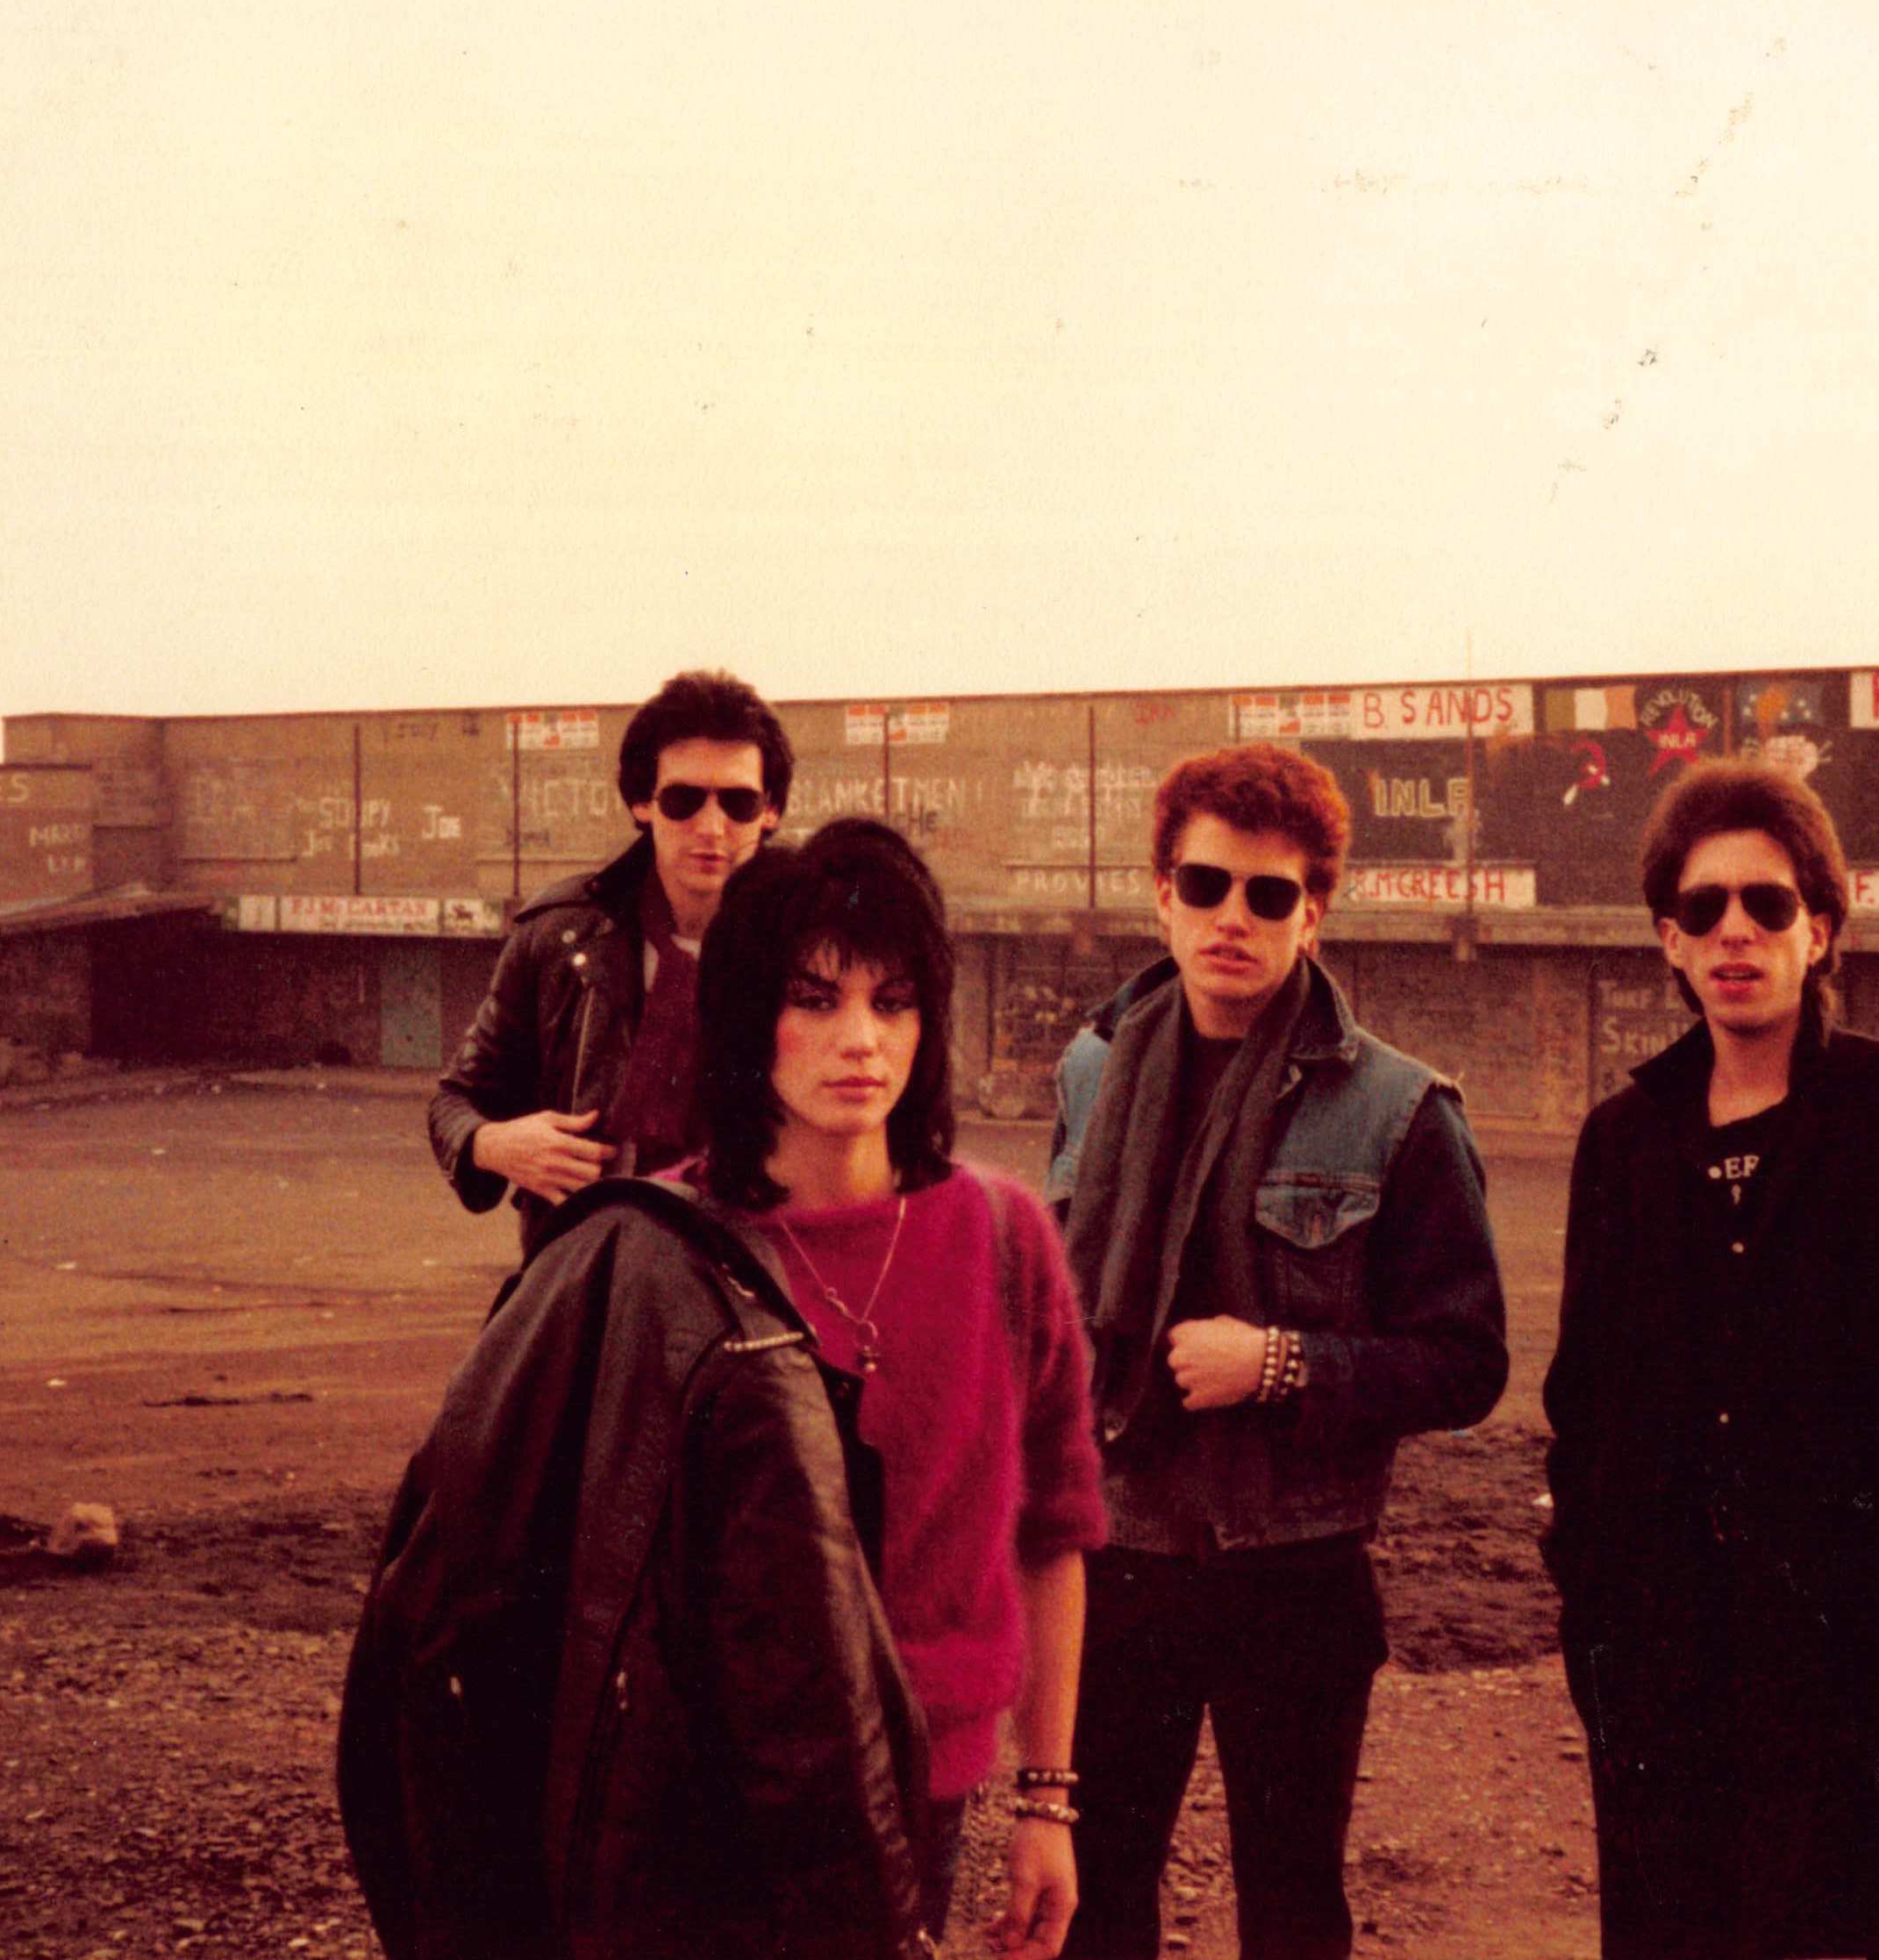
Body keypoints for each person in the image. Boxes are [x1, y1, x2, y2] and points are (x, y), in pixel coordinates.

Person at [1540, 758, 1879, 1960]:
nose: (1735, 929)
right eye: (1704, 906)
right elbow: (1585, 1408)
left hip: (1861, 1694)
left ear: (1819, 928)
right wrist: (1599, 1627)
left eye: (1768, 902)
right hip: (1670, 1706)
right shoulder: (1623, 1143)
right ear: (1670, 940)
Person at [1044, 742, 1509, 1960]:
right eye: (1205, 885)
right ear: (1162, 894)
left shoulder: (1401, 1108)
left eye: (1268, 893)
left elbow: (1468, 1359)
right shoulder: (1092, 1071)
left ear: (1315, 911)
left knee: (1293, 1906)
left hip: (1294, 1567)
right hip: (1119, 1551)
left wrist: (1281, 1363)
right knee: (1098, 1897)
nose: (1232, 918)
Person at [677, 821, 1105, 1960]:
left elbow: (1054, 1532)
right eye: (814, 998)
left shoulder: (1004, 1237)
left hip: (924, 1786)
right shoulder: (658, 1247)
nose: (860, 1038)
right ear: (745, 1014)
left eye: (894, 1000)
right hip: (701, 1794)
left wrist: (1046, 1800)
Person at [429, 668, 792, 1258]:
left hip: (759, 1275)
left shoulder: (810, 949)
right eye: (683, 800)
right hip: (588, 1272)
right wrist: (493, 1144)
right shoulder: (559, 938)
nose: (711, 827)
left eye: (739, 802)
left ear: (770, 810)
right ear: (643, 803)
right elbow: (454, 1101)